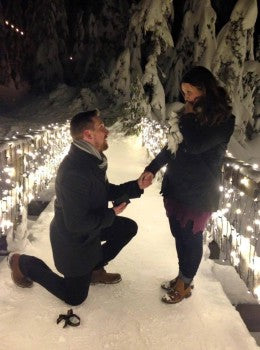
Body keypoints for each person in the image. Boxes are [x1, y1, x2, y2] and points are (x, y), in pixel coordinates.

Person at [8, 109, 151, 306]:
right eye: (101, 127)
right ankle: (22, 263)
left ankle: (94, 269)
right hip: (73, 240)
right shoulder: (74, 172)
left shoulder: (92, 160)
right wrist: (111, 213)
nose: (107, 131)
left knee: (127, 228)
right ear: (88, 134)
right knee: (74, 297)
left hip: (88, 228)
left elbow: (102, 190)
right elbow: (77, 224)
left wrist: (136, 186)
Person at [142, 66, 235, 304]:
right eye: (184, 92)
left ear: (204, 90)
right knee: (178, 234)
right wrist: (152, 168)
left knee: (190, 237)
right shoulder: (187, 116)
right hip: (176, 185)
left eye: (190, 91)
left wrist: (187, 116)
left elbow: (195, 145)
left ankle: (186, 282)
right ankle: (182, 276)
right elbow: (171, 147)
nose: (187, 97)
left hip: (200, 191)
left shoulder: (223, 119)